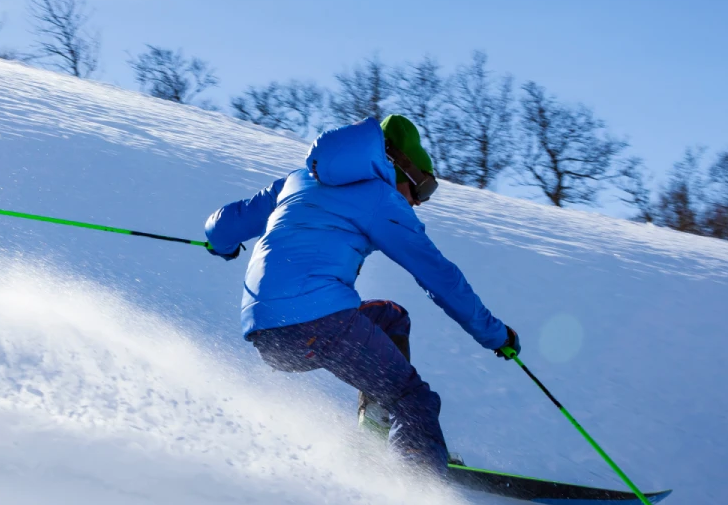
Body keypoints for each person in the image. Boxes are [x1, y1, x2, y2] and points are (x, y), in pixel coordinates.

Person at [204, 114, 519, 476]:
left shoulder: (297, 180)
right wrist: (495, 334)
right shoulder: (380, 199)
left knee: (390, 317)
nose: (419, 201)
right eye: (424, 189)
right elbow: (439, 277)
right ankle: (420, 481)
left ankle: (374, 441)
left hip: (267, 334)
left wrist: (223, 246)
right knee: (412, 398)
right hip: (319, 321)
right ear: (403, 169)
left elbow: (223, 225)